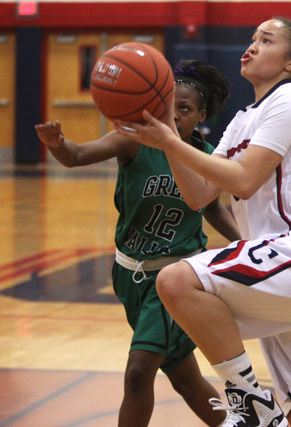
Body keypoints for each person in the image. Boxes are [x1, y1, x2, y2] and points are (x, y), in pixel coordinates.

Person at [114, 17, 291, 427]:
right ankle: (259, 408)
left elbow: (245, 179)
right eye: (252, 38)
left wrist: (171, 142)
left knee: (176, 281)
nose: (252, 46)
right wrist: (169, 135)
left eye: (266, 40)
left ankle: (249, 405)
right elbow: (199, 195)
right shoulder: (244, 119)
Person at [35, 59, 241, 427]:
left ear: (202, 115)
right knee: (186, 380)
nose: (175, 116)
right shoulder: (133, 140)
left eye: (186, 109)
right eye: (169, 106)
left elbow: (212, 209)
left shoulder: (208, 157)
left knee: (138, 372)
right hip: (129, 275)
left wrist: (249, 245)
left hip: (176, 280)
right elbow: (78, 156)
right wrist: (58, 144)